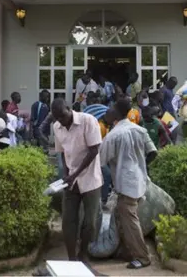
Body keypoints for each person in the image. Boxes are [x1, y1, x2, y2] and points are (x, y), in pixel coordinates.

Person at [100, 98, 157, 270]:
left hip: (125, 184)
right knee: (122, 216)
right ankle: (128, 251)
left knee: (130, 220)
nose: (107, 113)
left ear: (116, 113)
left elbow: (101, 162)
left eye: (110, 110)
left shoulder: (113, 136)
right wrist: (140, 166)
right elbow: (153, 152)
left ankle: (142, 257)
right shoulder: (140, 130)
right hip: (139, 180)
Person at [51, 98, 103, 263]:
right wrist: (67, 176)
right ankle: (72, 259)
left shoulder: (88, 121)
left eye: (63, 116)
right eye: (57, 118)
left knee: (90, 222)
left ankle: (84, 253)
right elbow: (61, 153)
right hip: (71, 180)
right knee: (68, 221)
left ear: (69, 108)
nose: (61, 120)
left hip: (90, 179)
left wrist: (75, 174)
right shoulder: (57, 127)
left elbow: (94, 150)